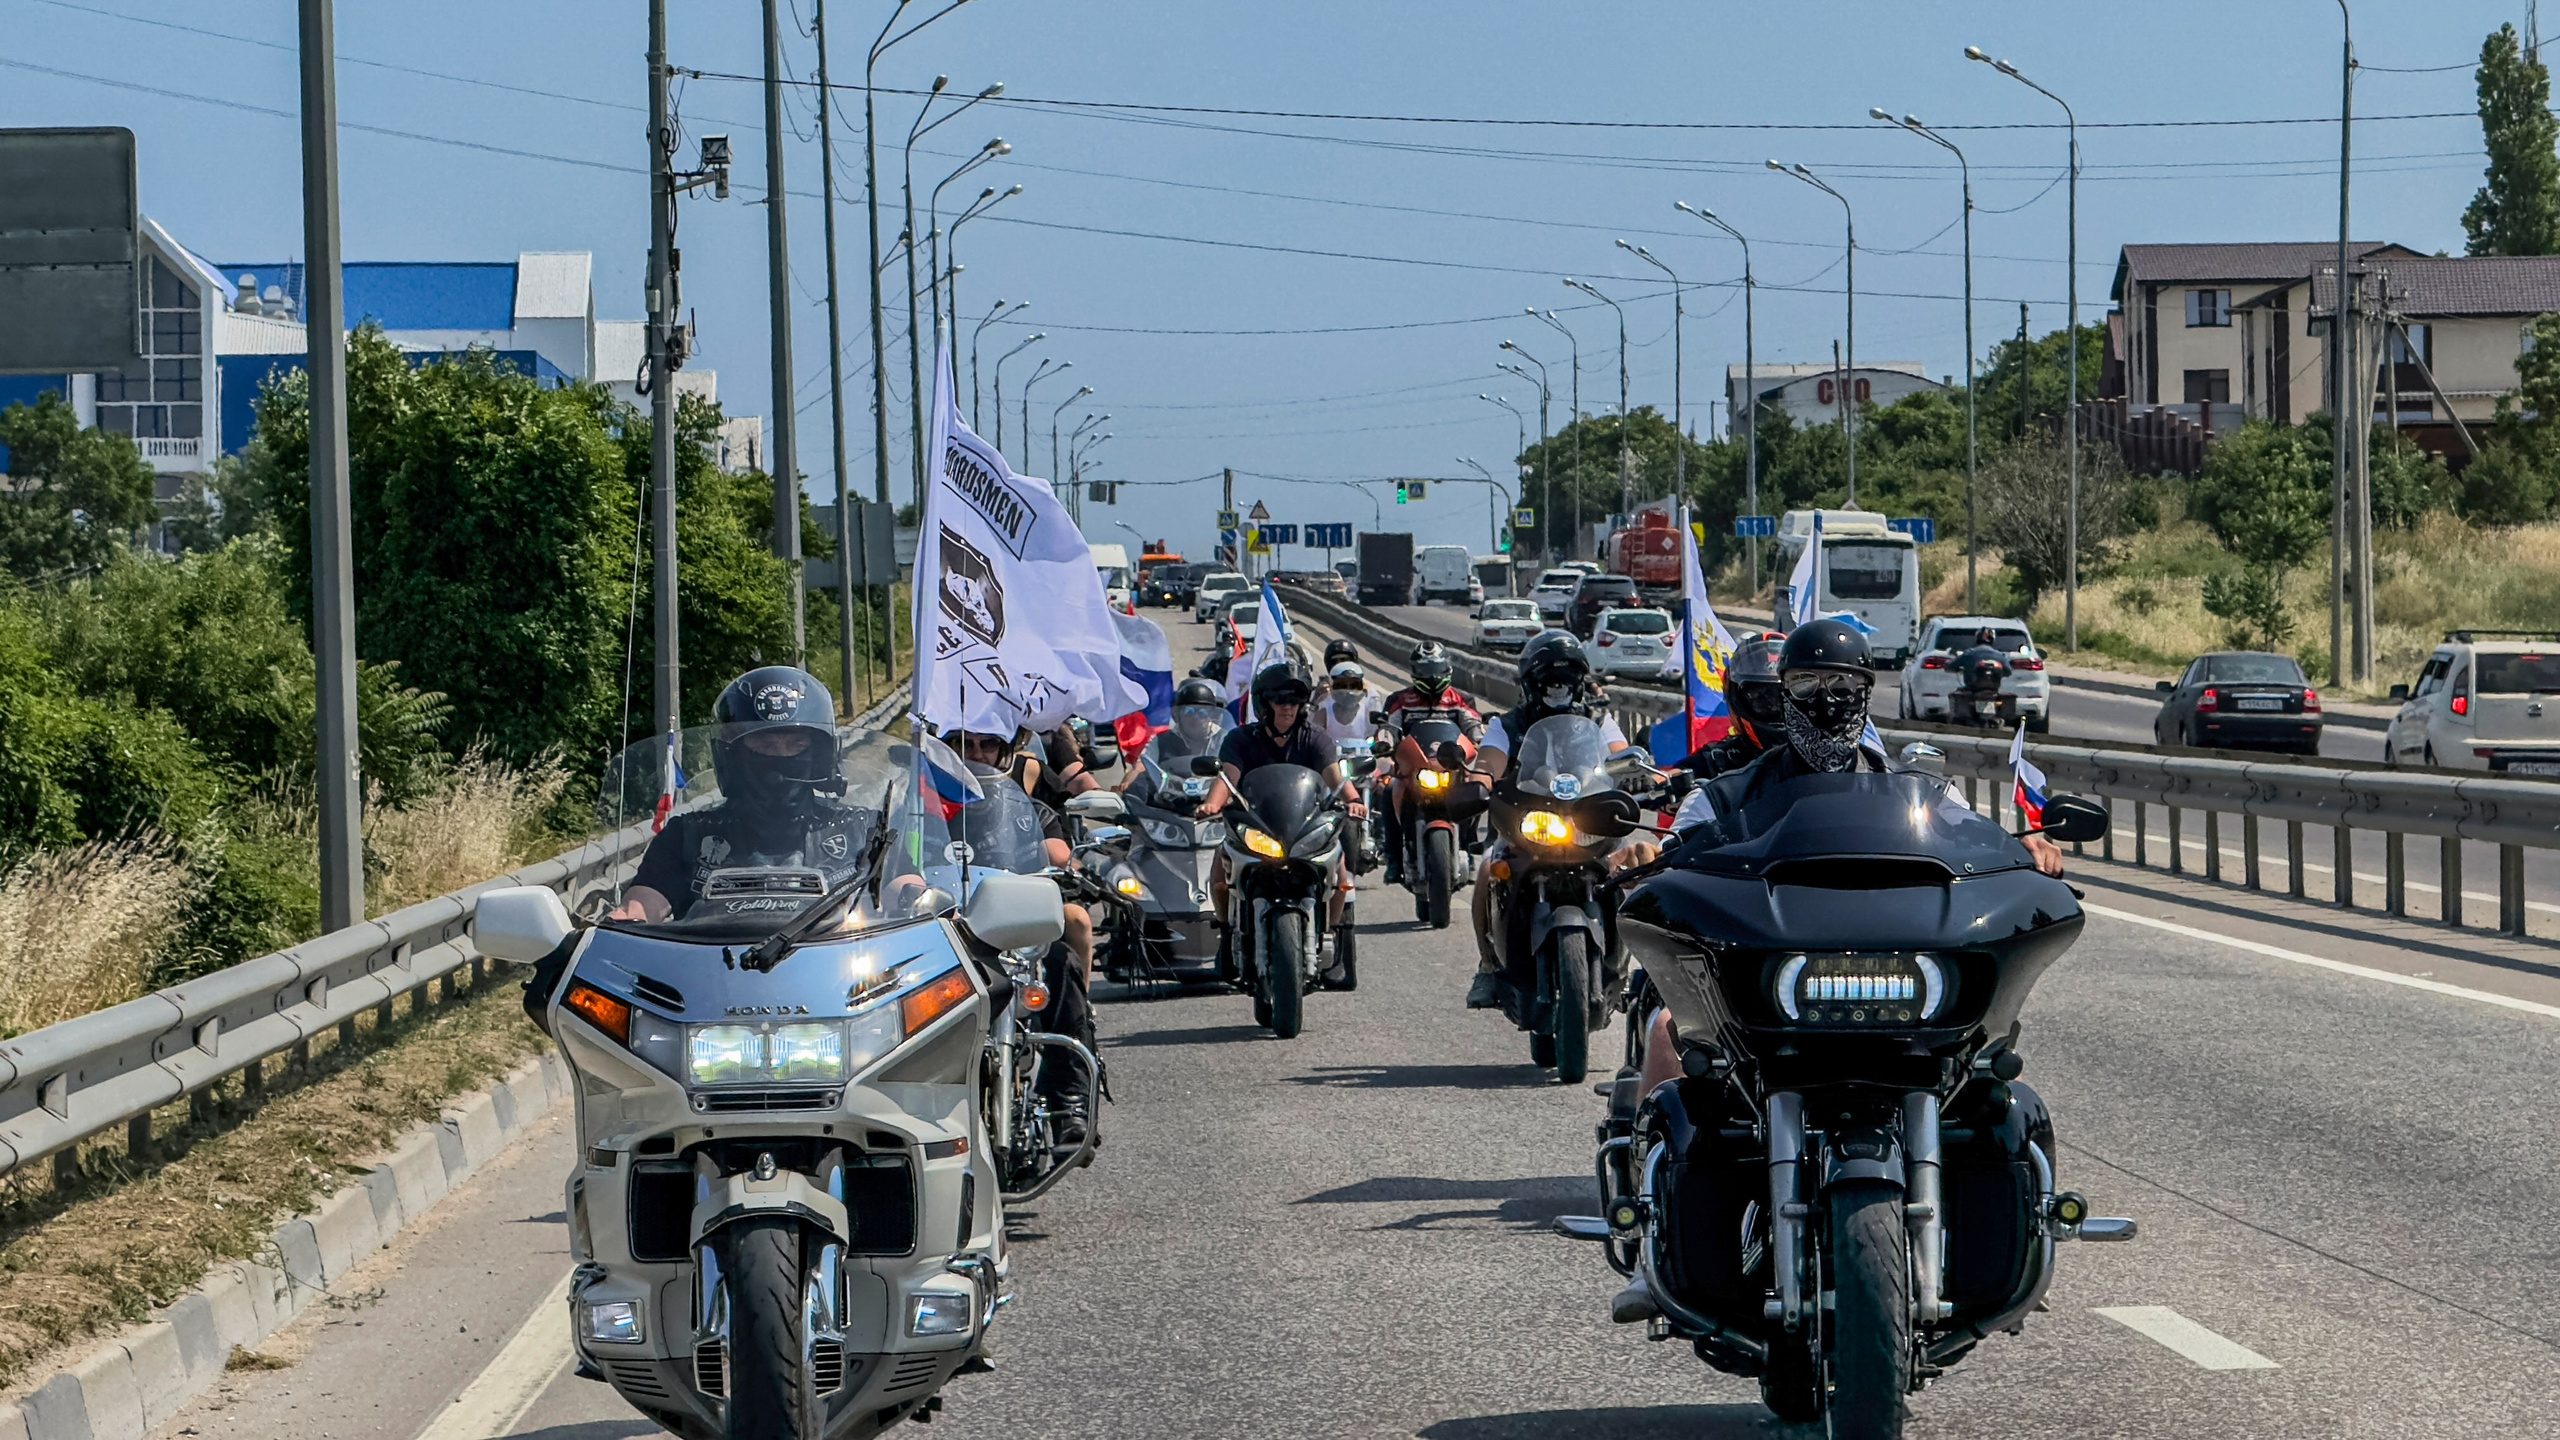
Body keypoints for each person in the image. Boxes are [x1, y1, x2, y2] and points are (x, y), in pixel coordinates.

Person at [610, 667, 873, 923]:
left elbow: (907, 891)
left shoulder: (863, 829)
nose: (780, 756)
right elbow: (643, 903)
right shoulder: (687, 836)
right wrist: (625, 917)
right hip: (714, 963)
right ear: (732, 756)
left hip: (835, 961)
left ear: (820, 754)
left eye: (796, 744)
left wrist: (910, 894)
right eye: (764, 745)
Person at [1462, 630, 1637, 1008]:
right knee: (1486, 872)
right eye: (1548, 679)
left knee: (1632, 870)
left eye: (1566, 679)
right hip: (1527, 825)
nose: (1558, 687)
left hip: (1591, 824)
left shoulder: (1600, 719)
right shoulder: (1507, 724)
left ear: (1580, 682)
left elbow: (1622, 756)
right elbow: (1489, 759)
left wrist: (1639, 769)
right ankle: (1489, 966)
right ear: (1531, 683)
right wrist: (1479, 779)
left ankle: (1632, 966)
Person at [1200, 661, 1368, 965]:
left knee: (1341, 871)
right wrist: (1213, 803)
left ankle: (1330, 930)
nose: (1287, 707)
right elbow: (1226, 778)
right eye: (1280, 700)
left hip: (1304, 826)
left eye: (1294, 700)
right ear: (1265, 703)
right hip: (1257, 826)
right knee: (1220, 870)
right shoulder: (1241, 739)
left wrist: (1354, 800)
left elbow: (1335, 777)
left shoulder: (1315, 738)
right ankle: (1226, 931)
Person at [1378, 641, 1486, 885]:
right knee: (1386, 792)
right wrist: (1384, 742)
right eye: (1425, 670)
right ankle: (1393, 858)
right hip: (1412, 770)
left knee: (1479, 791)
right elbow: (1389, 727)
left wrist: (1482, 739)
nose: (1431, 676)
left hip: (1451, 768)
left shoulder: (1461, 699)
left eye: (1436, 669)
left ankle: (1469, 845)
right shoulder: (1400, 700)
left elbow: (1473, 726)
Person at [1673, 631, 1786, 781]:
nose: (1773, 707)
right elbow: (1670, 778)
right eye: (1760, 698)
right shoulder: (1717, 760)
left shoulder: (1819, 756)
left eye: (1783, 698)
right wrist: (1653, 783)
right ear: (1735, 696)